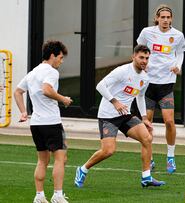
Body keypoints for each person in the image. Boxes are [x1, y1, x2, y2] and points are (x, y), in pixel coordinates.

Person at [74, 45, 165, 188]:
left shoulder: (145, 78)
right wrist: (115, 102)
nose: (144, 61)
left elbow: (140, 97)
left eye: (147, 58)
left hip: (125, 115)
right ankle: (82, 169)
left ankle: (146, 177)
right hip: (108, 115)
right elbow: (100, 86)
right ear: (133, 57)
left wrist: (144, 118)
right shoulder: (122, 71)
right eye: (141, 57)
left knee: (147, 137)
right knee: (108, 151)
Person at [14, 40, 72, 203]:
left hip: (36, 124)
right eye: (60, 57)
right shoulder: (52, 72)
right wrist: (64, 99)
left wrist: (24, 112)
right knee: (60, 158)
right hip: (51, 122)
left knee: (42, 160)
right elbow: (46, 90)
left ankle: (39, 196)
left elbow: (18, 92)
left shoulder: (33, 72)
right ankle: (58, 195)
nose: (61, 61)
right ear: (52, 56)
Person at [136, 4, 185, 174]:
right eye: (162, 17)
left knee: (169, 121)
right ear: (157, 18)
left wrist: (177, 65)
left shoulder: (178, 35)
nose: (165, 20)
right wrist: (142, 65)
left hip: (166, 83)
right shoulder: (147, 32)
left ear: (171, 19)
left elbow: (180, 53)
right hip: (148, 84)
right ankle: (149, 159)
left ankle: (170, 157)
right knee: (147, 124)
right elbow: (138, 50)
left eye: (168, 17)